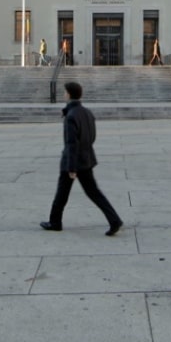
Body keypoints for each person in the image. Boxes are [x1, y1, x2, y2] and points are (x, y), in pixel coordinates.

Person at [41, 81, 123, 237]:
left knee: (62, 193)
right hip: (87, 158)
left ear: (69, 94)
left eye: (65, 92)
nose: (64, 94)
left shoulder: (71, 116)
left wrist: (71, 168)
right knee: (94, 193)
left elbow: (71, 143)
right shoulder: (86, 112)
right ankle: (114, 220)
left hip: (73, 161)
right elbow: (91, 136)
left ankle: (55, 222)